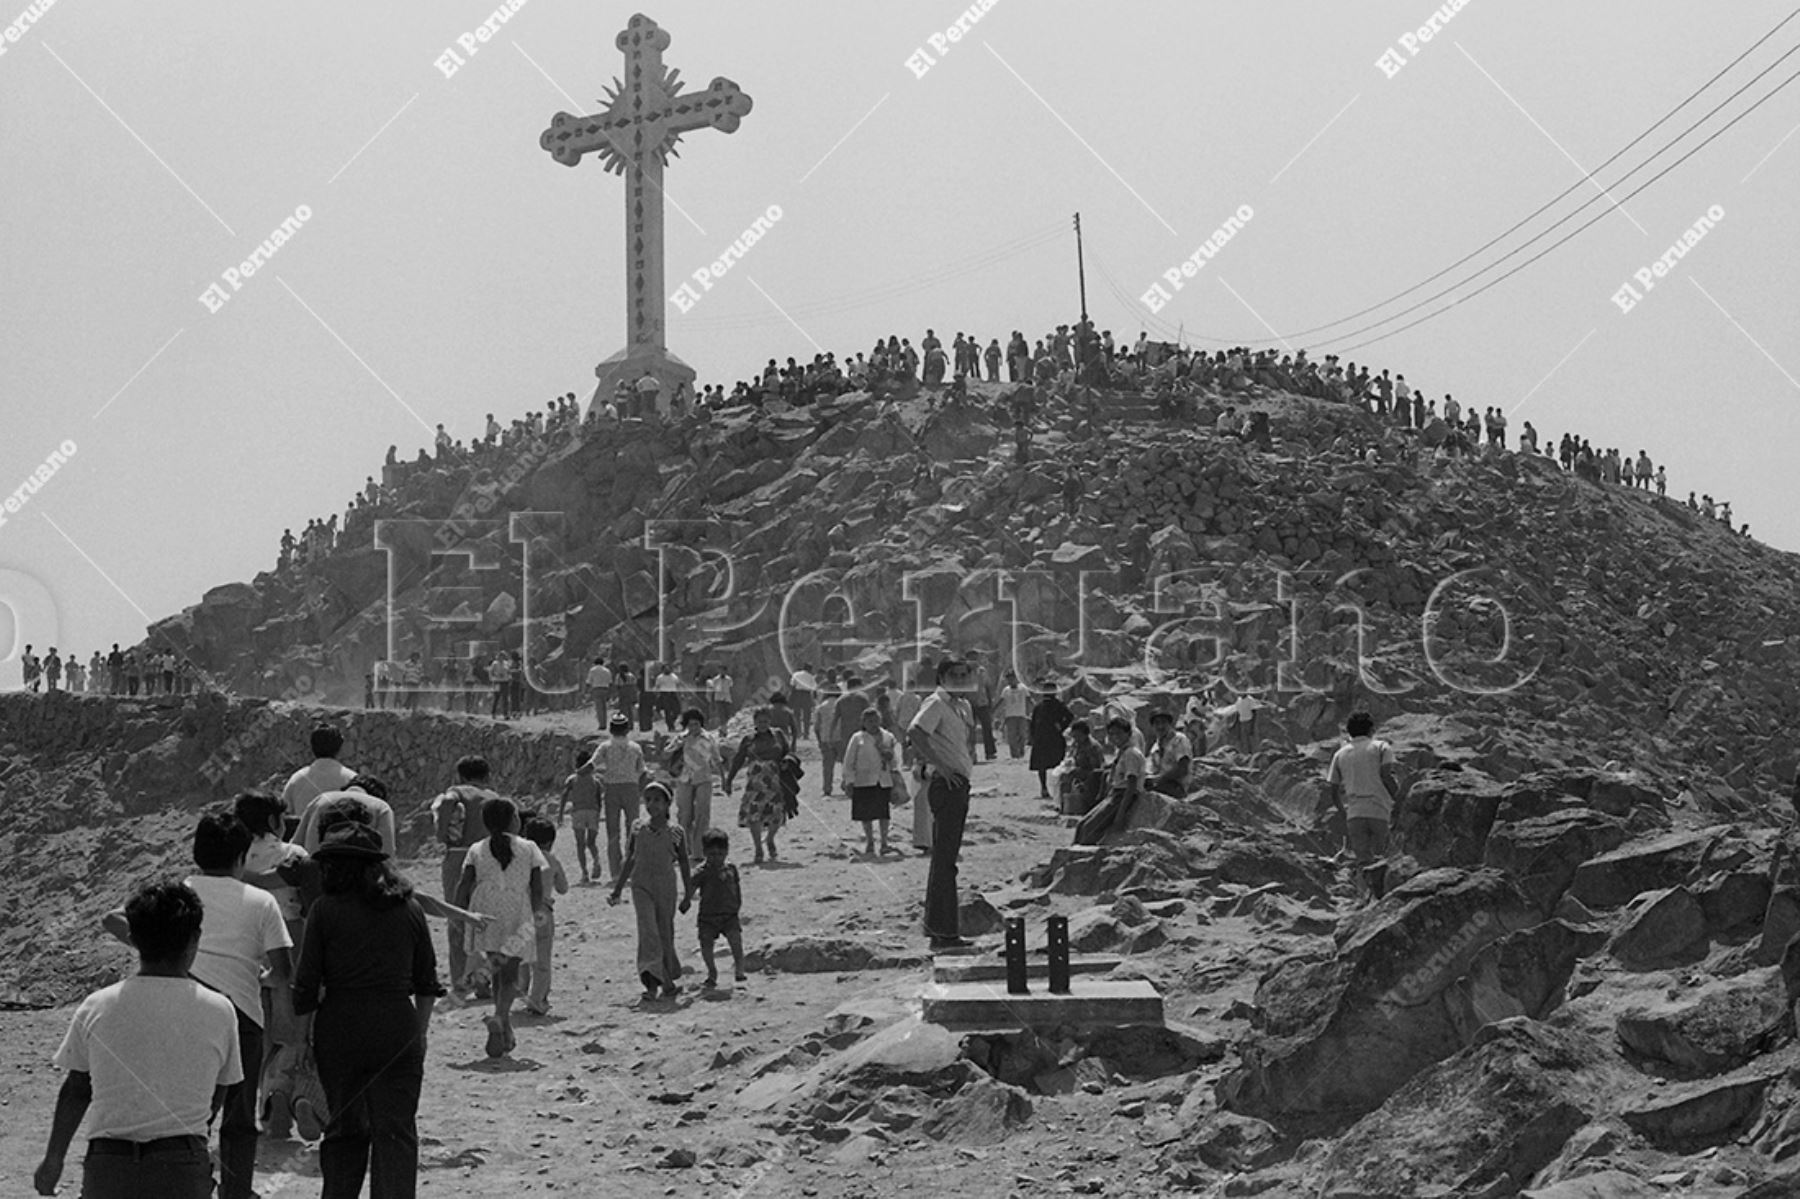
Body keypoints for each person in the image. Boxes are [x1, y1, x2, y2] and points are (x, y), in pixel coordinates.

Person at [98, 811, 289, 1199]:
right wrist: (259, 978)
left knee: (188, 1111)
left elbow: (112, 919)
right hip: (242, 1017)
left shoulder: (179, 893)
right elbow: (282, 970)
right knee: (238, 1117)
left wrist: (159, 950)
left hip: (183, 1007)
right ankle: (236, 1191)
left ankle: (186, 1182)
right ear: (240, 857)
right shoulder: (260, 901)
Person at [37, 881, 242, 1199]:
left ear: (131, 939)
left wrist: (53, 1160)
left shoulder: (97, 1005)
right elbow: (221, 1089)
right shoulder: (220, 1010)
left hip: (109, 1167)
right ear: (195, 940)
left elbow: (77, 1089)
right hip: (182, 1167)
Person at [292, 823, 442, 1198]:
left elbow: (306, 986)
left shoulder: (324, 911)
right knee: (396, 1133)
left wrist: (302, 1043)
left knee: (343, 1132)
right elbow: (426, 983)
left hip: (339, 1030)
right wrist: (419, 1034)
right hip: (396, 1026)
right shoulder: (409, 909)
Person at [456, 796, 547, 1057]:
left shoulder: (476, 848)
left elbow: (464, 884)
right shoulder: (529, 847)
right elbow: (537, 888)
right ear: (512, 820)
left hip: (484, 911)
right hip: (516, 911)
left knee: (497, 970)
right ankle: (499, 1017)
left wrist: (459, 914)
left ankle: (504, 1029)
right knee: (510, 971)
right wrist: (537, 916)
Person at [908, 657, 976, 950]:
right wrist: (940, 765)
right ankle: (944, 933)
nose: (960, 679)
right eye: (954, 675)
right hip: (945, 783)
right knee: (945, 860)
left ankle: (940, 928)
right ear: (942, 677)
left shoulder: (962, 707)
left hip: (959, 782)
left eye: (964, 675)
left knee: (946, 859)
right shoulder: (936, 703)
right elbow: (915, 733)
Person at [608, 783, 692, 1000]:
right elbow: (631, 858)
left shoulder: (676, 832)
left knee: (665, 933)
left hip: (666, 888)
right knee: (648, 932)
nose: (652, 804)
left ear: (667, 804)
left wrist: (688, 894)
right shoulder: (637, 828)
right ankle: (653, 984)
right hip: (641, 886)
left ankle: (668, 978)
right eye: (648, 799)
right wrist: (618, 889)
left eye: (657, 800)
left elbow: (683, 861)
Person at [430, 756, 502, 995]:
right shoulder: (494, 797)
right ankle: (484, 980)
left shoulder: (457, 791)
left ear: (461, 775)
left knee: (457, 916)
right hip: (489, 857)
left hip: (460, 856)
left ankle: (461, 979)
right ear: (486, 775)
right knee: (486, 919)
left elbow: (448, 801)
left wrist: (441, 833)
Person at [1327, 711, 1400, 901]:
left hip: (1355, 813)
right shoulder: (1381, 747)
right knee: (1386, 859)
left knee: (1363, 862)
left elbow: (1333, 789)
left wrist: (1343, 812)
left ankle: (1364, 899)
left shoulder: (1340, 753)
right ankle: (1386, 899)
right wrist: (1400, 800)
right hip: (1380, 810)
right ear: (1371, 729)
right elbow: (1386, 776)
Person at [679, 828, 746, 990]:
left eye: (720, 854)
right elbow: (692, 887)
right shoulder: (702, 872)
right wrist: (686, 900)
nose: (717, 858)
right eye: (712, 854)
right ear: (705, 852)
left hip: (729, 914)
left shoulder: (731, 869)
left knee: (736, 940)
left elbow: (736, 887)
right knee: (706, 945)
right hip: (708, 915)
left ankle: (739, 968)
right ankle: (712, 972)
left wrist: (737, 904)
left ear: (727, 851)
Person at [725, 708, 791, 864]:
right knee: (754, 816)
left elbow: (788, 753)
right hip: (755, 784)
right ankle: (758, 848)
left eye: (766, 721)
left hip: (774, 783)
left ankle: (769, 839)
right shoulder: (748, 739)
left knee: (777, 816)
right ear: (754, 722)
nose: (763, 725)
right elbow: (738, 760)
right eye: (760, 722)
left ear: (770, 721)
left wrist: (787, 763)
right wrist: (729, 780)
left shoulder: (778, 736)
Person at [518, 818, 569, 1016]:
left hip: (521, 912)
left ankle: (522, 991)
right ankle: (538, 999)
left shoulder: (520, 859)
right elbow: (563, 888)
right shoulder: (552, 859)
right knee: (542, 961)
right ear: (550, 841)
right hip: (543, 913)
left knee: (522, 957)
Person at [1073, 716, 1146, 845]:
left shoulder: (1131, 754)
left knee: (1089, 829)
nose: (1115, 737)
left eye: (1119, 733)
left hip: (1122, 797)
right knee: (1082, 824)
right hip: (1114, 794)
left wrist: (1121, 812)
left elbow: (1131, 785)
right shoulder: (1121, 752)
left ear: (1128, 734)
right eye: (1111, 734)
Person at [593, 714, 647, 883]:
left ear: (611, 729)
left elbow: (592, 764)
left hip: (612, 788)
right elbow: (643, 770)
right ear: (627, 729)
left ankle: (616, 872)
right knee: (633, 829)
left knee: (613, 832)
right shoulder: (635, 747)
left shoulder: (605, 746)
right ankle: (631, 868)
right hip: (631, 787)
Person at [844, 706, 901, 856]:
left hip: (883, 780)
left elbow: (895, 759)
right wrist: (849, 781)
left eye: (875, 720)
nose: (873, 724)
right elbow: (849, 761)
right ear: (863, 722)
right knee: (866, 814)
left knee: (883, 813)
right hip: (863, 781)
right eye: (869, 721)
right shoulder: (858, 738)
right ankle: (870, 841)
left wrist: (893, 766)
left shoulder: (887, 737)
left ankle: (884, 842)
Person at [295, 775, 398, 857]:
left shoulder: (320, 800)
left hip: (316, 875)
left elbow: (296, 843)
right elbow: (387, 853)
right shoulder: (381, 807)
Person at [280, 724, 357, 829]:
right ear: (340, 748)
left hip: (303, 841)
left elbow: (284, 815)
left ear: (312, 747)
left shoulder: (297, 779)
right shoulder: (352, 779)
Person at [672, 707, 723, 853]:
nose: (693, 727)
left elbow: (716, 759)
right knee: (684, 814)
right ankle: (683, 848)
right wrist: (677, 746)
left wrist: (724, 779)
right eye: (690, 724)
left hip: (703, 778)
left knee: (702, 814)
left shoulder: (708, 738)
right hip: (684, 779)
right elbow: (666, 754)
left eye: (696, 724)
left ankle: (699, 850)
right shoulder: (681, 738)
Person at [555, 751, 602, 884]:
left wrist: (560, 814)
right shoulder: (596, 781)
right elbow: (599, 800)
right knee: (591, 842)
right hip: (593, 812)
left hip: (578, 812)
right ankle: (597, 860)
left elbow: (564, 796)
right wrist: (599, 814)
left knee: (580, 844)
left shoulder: (572, 779)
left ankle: (585, 873)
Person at [1028, 681, 1073, 801]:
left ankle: (1053, 788)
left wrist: (1061, 726)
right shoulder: (1040, 706)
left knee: (1055, 764)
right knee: (1045, 765)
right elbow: (1033, 723)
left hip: (1050, 738)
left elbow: (1069, 716)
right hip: (1045, 738)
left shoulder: (1057, 705)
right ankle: (1044, 788)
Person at [1058, 720, 1107, 816]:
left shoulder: (1092, 747)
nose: (1076, 739)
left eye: (1078, 736)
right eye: (1074, 736)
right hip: (1079, 771)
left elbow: (1096, 767)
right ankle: (1065, 806)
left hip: (1091, 774)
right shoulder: (1077, 744)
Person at [1145, 710, 1193, 797]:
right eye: (1157, 723)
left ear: (1170, 724)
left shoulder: (1179, 740)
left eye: (1163, 722)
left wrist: (1159, 779)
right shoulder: (1155, 747)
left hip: (1177, 786)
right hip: (1161, 783)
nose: (1160, 726)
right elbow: (1151, 769)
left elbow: (1182, 769)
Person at [815, 680, 841, 796]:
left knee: (827, 766)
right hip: (840, 737)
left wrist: (819, 740)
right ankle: (848, 785)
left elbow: (817, 726)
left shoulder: (821, 707)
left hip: (826, 738)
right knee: (847, 763)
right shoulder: (842, 704)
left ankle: (827, 789)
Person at [997, 671, 1031, 760]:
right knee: (1011, 736)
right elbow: (1001, 701)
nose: (1011, 681)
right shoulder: (1006, 690)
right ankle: (1014, 754)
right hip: (1010, 716)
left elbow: (1029, 700)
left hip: (1021, 715)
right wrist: (994, 711)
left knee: (1022, 735)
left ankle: (1021, 750)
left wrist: (1033, 709)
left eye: (1012, 678)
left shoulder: (1023, 688)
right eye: (1009, 679)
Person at [788, 664, 817, 739]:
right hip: (806, 695)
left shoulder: (796, 674)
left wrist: (791, 698)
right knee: (807, 716)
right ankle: (806, 734)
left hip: (797, 694)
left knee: (796, 714)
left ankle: (798, 732)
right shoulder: (811, 676)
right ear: (810, 669)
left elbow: (792, 686)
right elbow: (814, 688)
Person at [585, 657, 612, 728]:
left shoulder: (592, 670)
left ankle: (601, 725)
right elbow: (610, 682)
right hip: (605, 689)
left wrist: (586, 690)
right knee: (604, 708)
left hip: (596, 689)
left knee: (599, 708)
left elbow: (588, 681)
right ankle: (605, 723)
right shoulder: (607, 670)